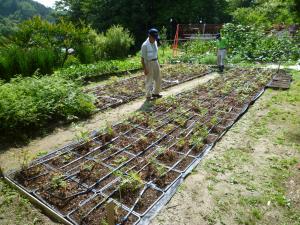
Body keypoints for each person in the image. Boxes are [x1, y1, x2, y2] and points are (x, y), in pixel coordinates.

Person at [141, 28, 162, 101]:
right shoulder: (145, 45)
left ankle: (156, 93)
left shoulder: (155, 42)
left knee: (158, 78)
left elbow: (156, 54)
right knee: (149, 80)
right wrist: (145, 69)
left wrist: (158, 62)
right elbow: (142, 59)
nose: (155, 39)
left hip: (155, 62)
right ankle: (148, 96)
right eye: (154, 37)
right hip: (149, 63)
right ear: (149, 36)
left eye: (156, 38)